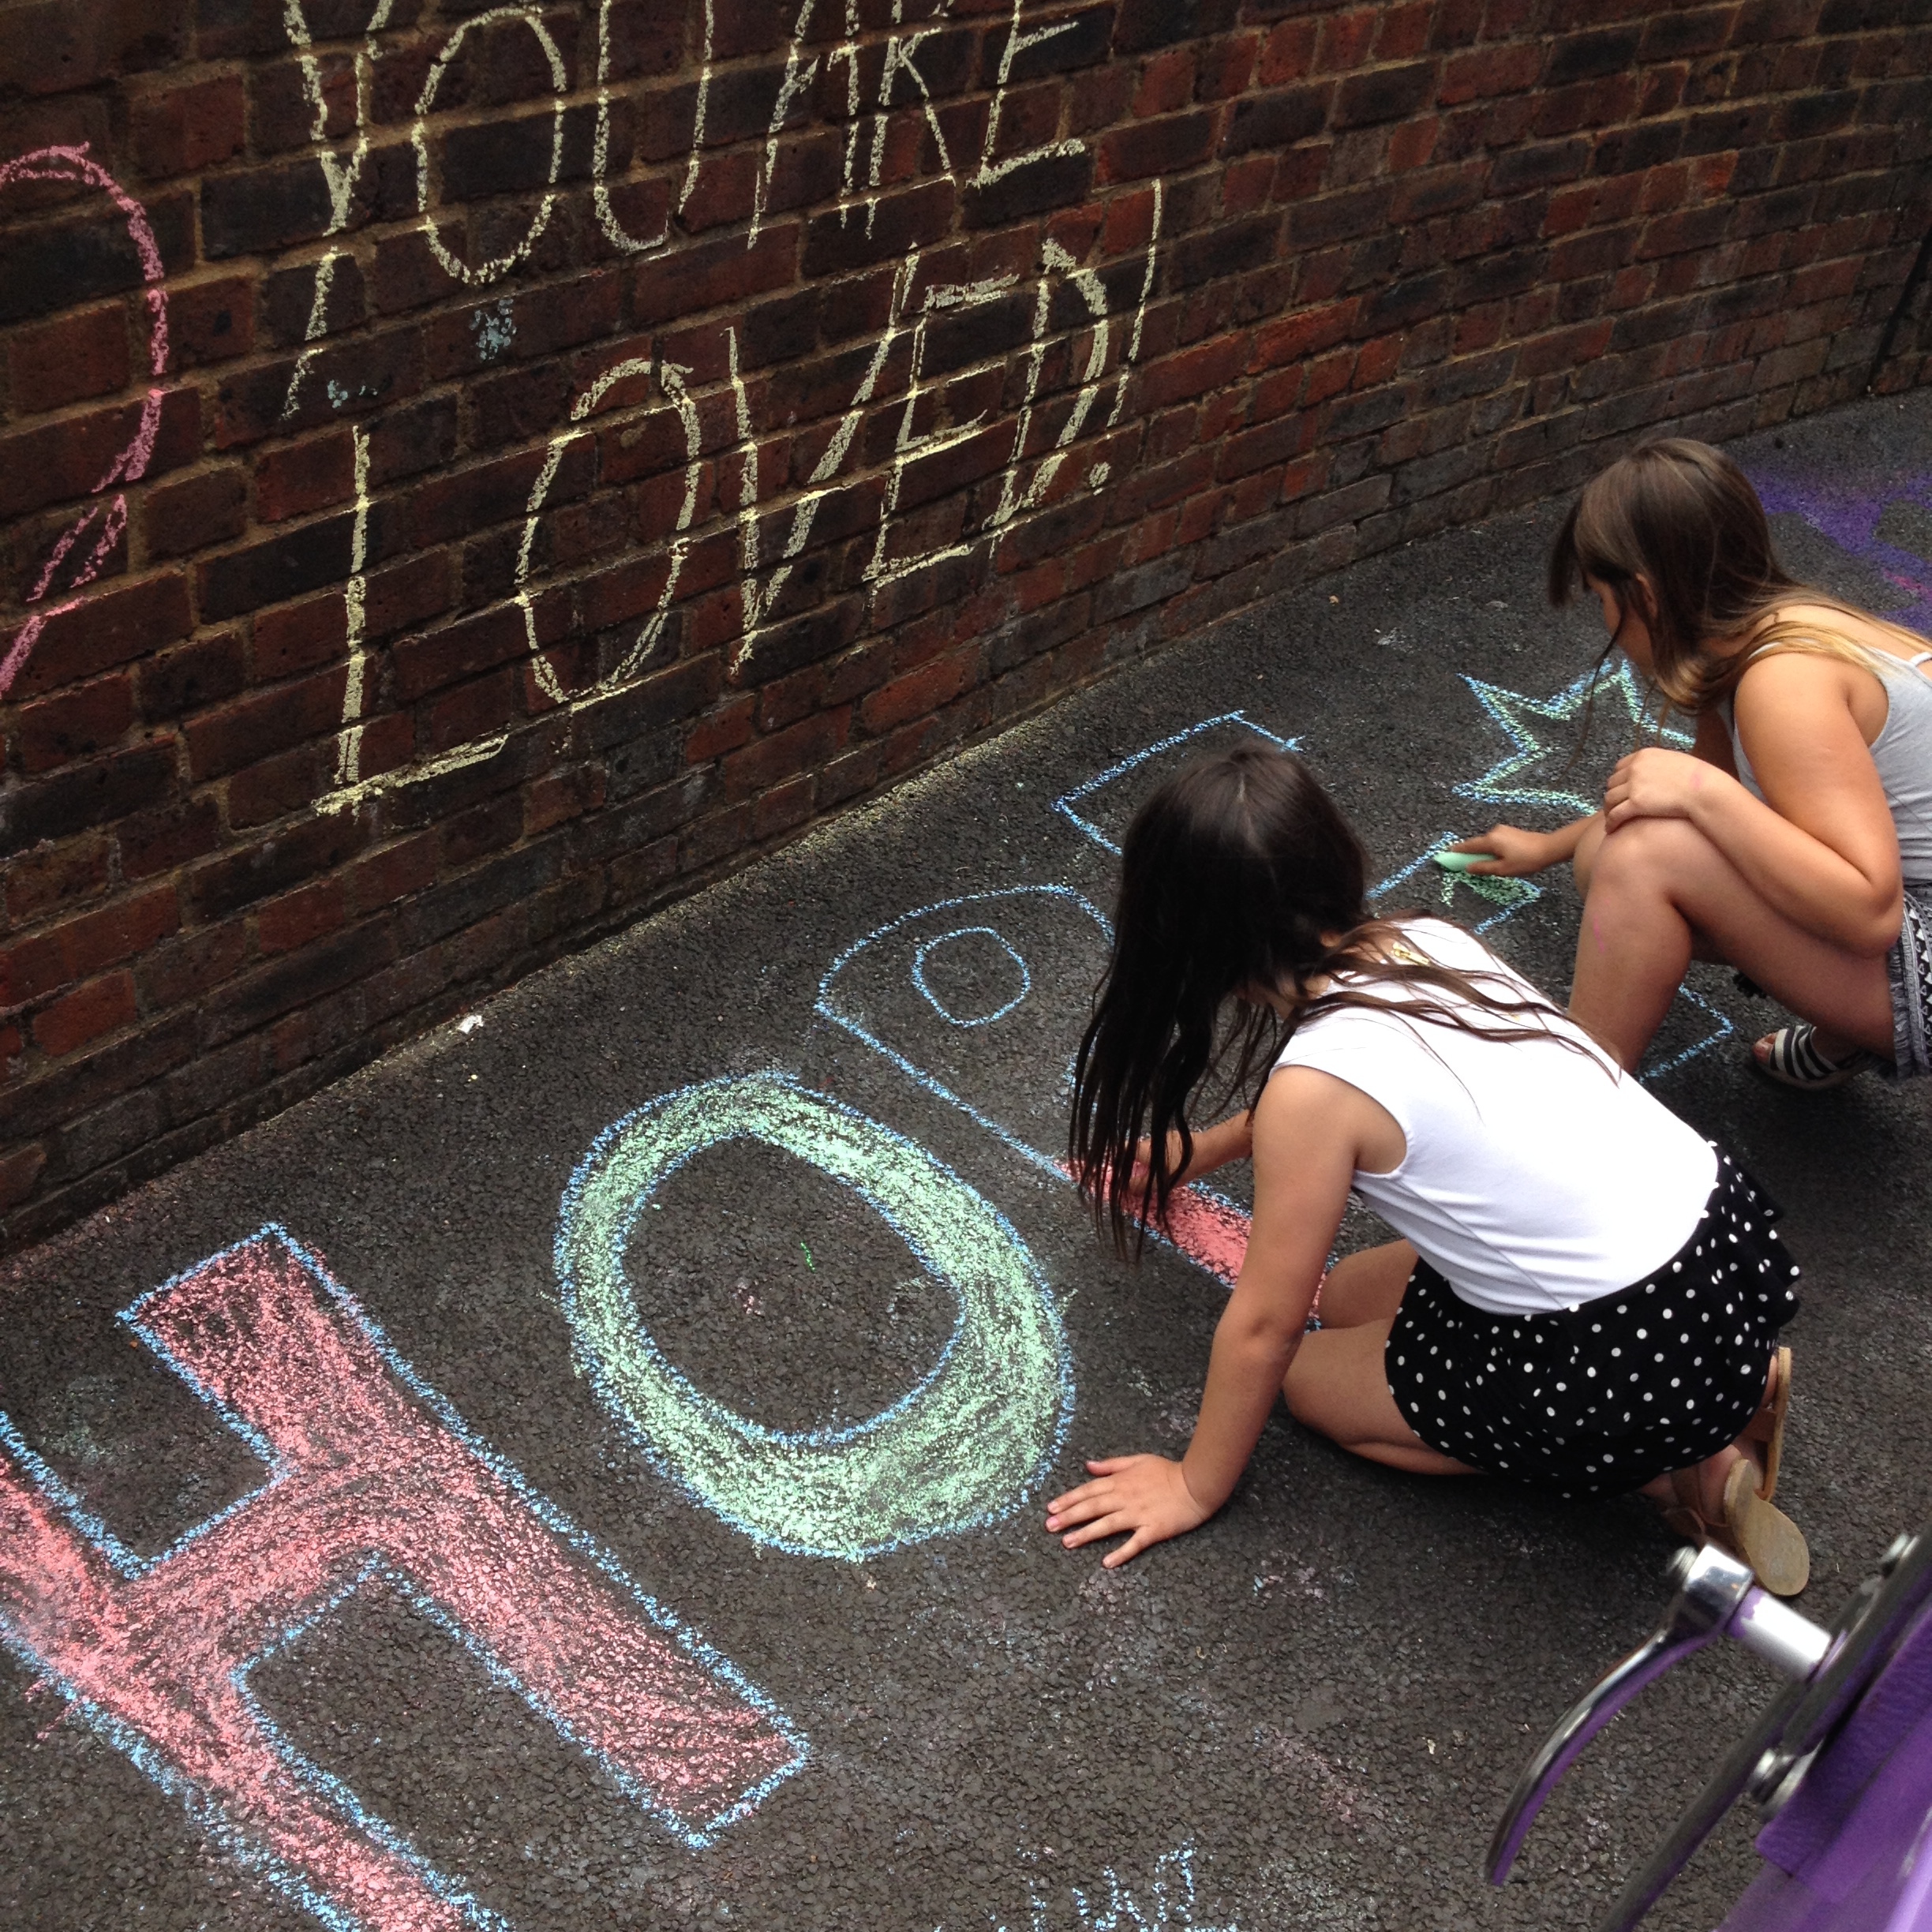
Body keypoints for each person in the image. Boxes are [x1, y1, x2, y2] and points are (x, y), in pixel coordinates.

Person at [1047, 747, 1807, 1593]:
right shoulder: (1424, 941)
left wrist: (1195, 1483)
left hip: (1627, 1343)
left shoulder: (1314, 1088)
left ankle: (1674, 1468)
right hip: (1719, 1256)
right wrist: (1201, 1151)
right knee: (1342, 1298)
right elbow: (1339, 1096)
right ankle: (1724, 1390)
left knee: (1304, 1382)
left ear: (1191, 943)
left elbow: (1263, 1328)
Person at [1449, 436, 1932, 1086]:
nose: (1604, 620)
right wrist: (1552, 847)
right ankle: (1846, 1033)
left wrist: (1702, 791)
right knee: (1610, 845)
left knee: (1642, 858)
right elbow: (1721, 794)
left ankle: (1574, 1106)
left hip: (1917, 957)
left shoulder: (1783, 683)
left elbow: (1868, 912)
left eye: (1600, 597)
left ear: (1644, 594)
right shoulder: (1781, 626)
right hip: (1915, 915)